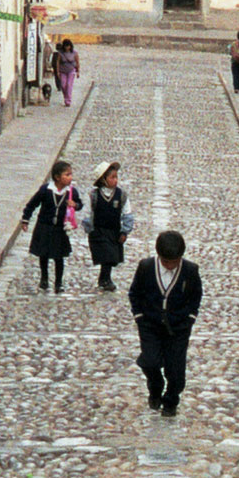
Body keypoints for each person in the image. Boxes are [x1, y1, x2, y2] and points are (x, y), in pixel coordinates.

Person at [128, 230, 203, 417]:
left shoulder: (190, 271)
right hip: (150, 325)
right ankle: (155, 387)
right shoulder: (146, 267)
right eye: (166, 262)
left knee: (176, 369)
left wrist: (190, 318)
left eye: (174, 262)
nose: (169, 266)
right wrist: (139, 316)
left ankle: (171, 400)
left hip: (178, 328)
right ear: (159, 256)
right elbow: (135, 293)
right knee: (150, 361)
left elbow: (195, 296)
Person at [19, 159, 83, 292]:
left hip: (60, 228)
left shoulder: (71, 192)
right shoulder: (46, 190)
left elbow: (80, 204)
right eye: (67, 175)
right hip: (45, 226)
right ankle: (44, 278)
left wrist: (75, 205)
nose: (70, 177)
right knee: (44, 254)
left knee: (59, 256)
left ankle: (58, 282)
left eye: (71, 174)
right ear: (57, 177)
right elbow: (33, 204)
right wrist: (26, 219)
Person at [83, 160, 134, 291]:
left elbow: (127, 213)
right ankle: (106, 279)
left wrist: (124, 231)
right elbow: (88, 213)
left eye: (116, 177)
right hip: (99, 231)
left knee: (112, 257)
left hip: (114, 231)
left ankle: (104, 278)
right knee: (106, 254)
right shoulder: (94, 196)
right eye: (112, 177)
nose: (115, 180)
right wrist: (89, 229)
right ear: (103, 179)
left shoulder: (121, 195)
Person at [51, 39, 81, 106]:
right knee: (63, 85)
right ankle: (66, 97)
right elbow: (58, 62)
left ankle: (68, 100)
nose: (67, 48)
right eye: (65, 46)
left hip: (71, 71)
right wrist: (57, 71)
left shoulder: (74, 53)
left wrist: (78, 71)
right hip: (63, 71)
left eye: (68, 46)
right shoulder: (60, 53)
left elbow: (77, 62)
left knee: (69, 85)